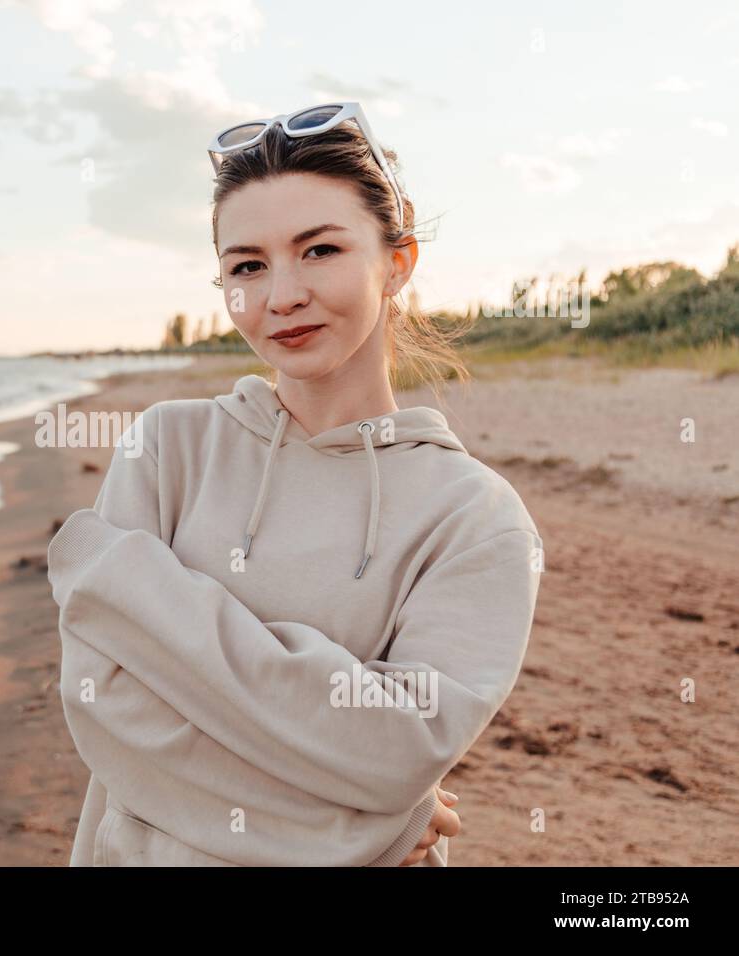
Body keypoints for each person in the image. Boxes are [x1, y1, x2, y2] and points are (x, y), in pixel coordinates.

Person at [46, 102, 543, 866]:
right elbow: (108, 707)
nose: (281, 296)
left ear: (398, 261)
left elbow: (395, 754)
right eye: (247, 265)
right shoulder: (168, 449)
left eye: (319, 251)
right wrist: (364, 829)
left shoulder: (476, 519)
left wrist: (162, 627)